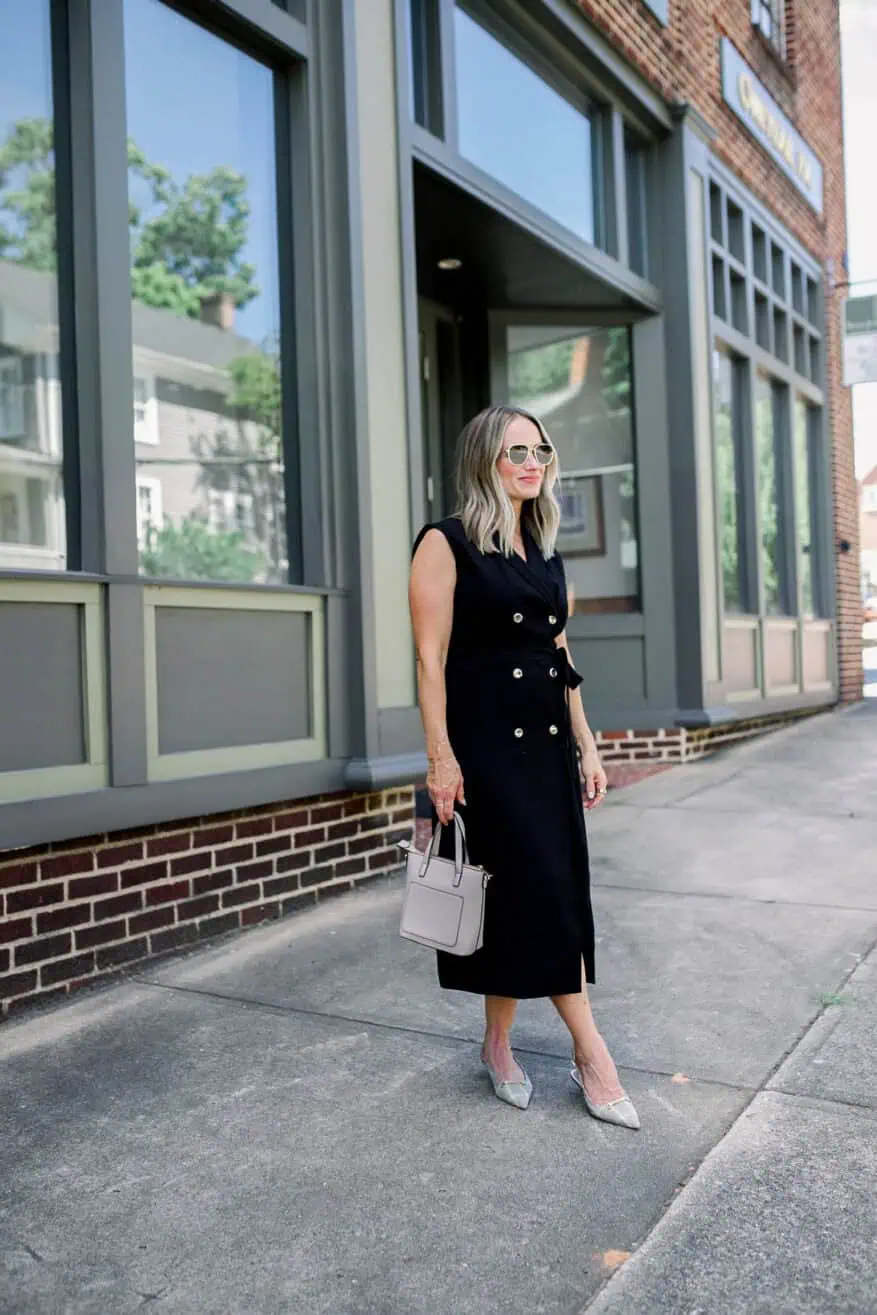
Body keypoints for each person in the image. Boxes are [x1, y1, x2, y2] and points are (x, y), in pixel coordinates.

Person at [409, 405, 639, 1130]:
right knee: (540, 893)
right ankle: (591, 1051)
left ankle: (497, 1040)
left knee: (525, 894)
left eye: (540, 449)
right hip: (484, 750)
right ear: (485, 460)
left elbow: (559, 654)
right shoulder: (443, 544)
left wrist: (588, 744)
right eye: (517, 451)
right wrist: (440, 759)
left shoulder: (542, 549)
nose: (533, 461)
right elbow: (428, 659)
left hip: (544, 748)